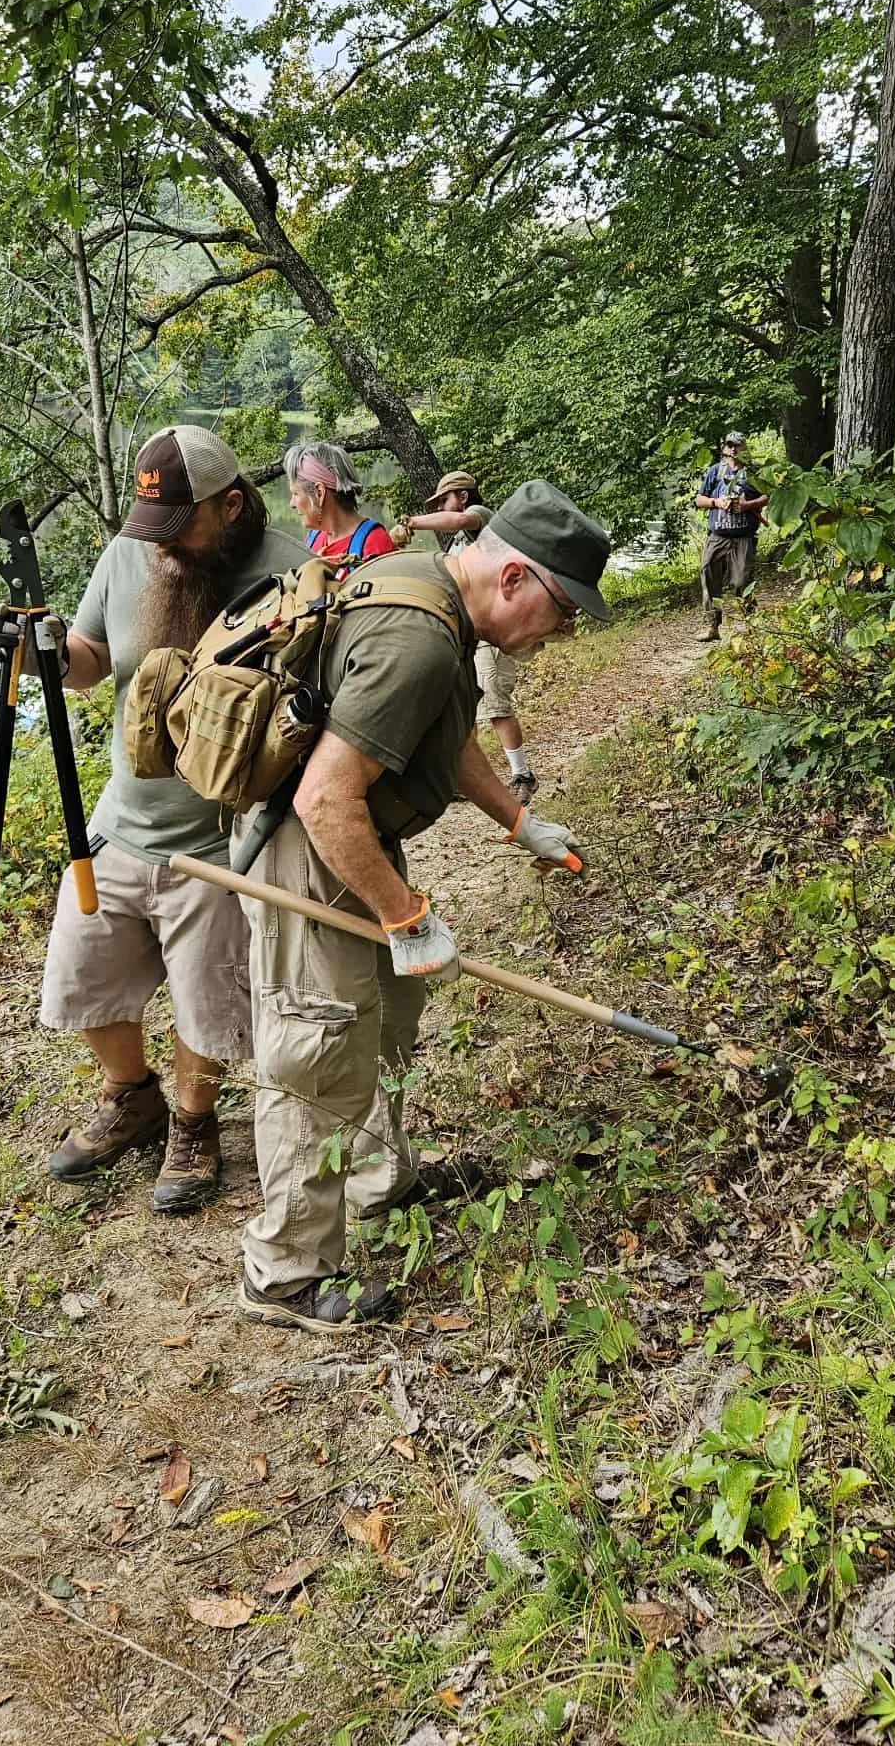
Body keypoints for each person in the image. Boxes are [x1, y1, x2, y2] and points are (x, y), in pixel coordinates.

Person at [236, 479, 610, 1335]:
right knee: (318, 1041)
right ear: (515, 578)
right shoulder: (418, 634)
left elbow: (446, 737)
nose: (559, 634)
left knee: (391, 1008)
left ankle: (380, 1176)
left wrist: (520, 822)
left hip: (356, 831)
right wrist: (407, 917)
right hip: (309, 846)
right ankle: (284, 1270)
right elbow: (325, 800)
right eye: (561, 611)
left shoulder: (436, 596)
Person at [20, 426, 301, 1212]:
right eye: (155, 527)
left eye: (182, 525)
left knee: (204, 999)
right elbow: (86, 660)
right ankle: (133, 1097)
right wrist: (43, 647)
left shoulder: (289, 568)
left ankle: (192, 1122)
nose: (164, 545)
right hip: (122, 821)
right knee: (84, 978)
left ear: (232, 506)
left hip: (225, 838)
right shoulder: (130, 553)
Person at [392, 471, 540, 803]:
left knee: (496, 704)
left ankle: (523, 775)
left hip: (493, 633)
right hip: (470, 632)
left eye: (444, 500)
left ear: (462, 497)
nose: (441, 507)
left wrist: (412, 522)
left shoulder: (484, 521)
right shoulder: (459, 541)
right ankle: (465, 781)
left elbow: (455, 519)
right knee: (464, 707)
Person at [695, 432, 767, 642]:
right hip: (717, 536)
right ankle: (712, 626)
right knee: (709, 579)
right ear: (725, 448)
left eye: (738, 445)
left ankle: (749, 628)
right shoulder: (715, 471)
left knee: (742, 581)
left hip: (744, 537)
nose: (733, 449)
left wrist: (747, 505)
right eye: (730, 445)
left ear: (745, 448)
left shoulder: (754, 472)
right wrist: (717, 502)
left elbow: (769, 496)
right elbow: (700, 499)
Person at [285, 440, 397, 561]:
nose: (292, 504)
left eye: (295, 494)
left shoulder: (375, 545)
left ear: (319, 493)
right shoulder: (314, 538)